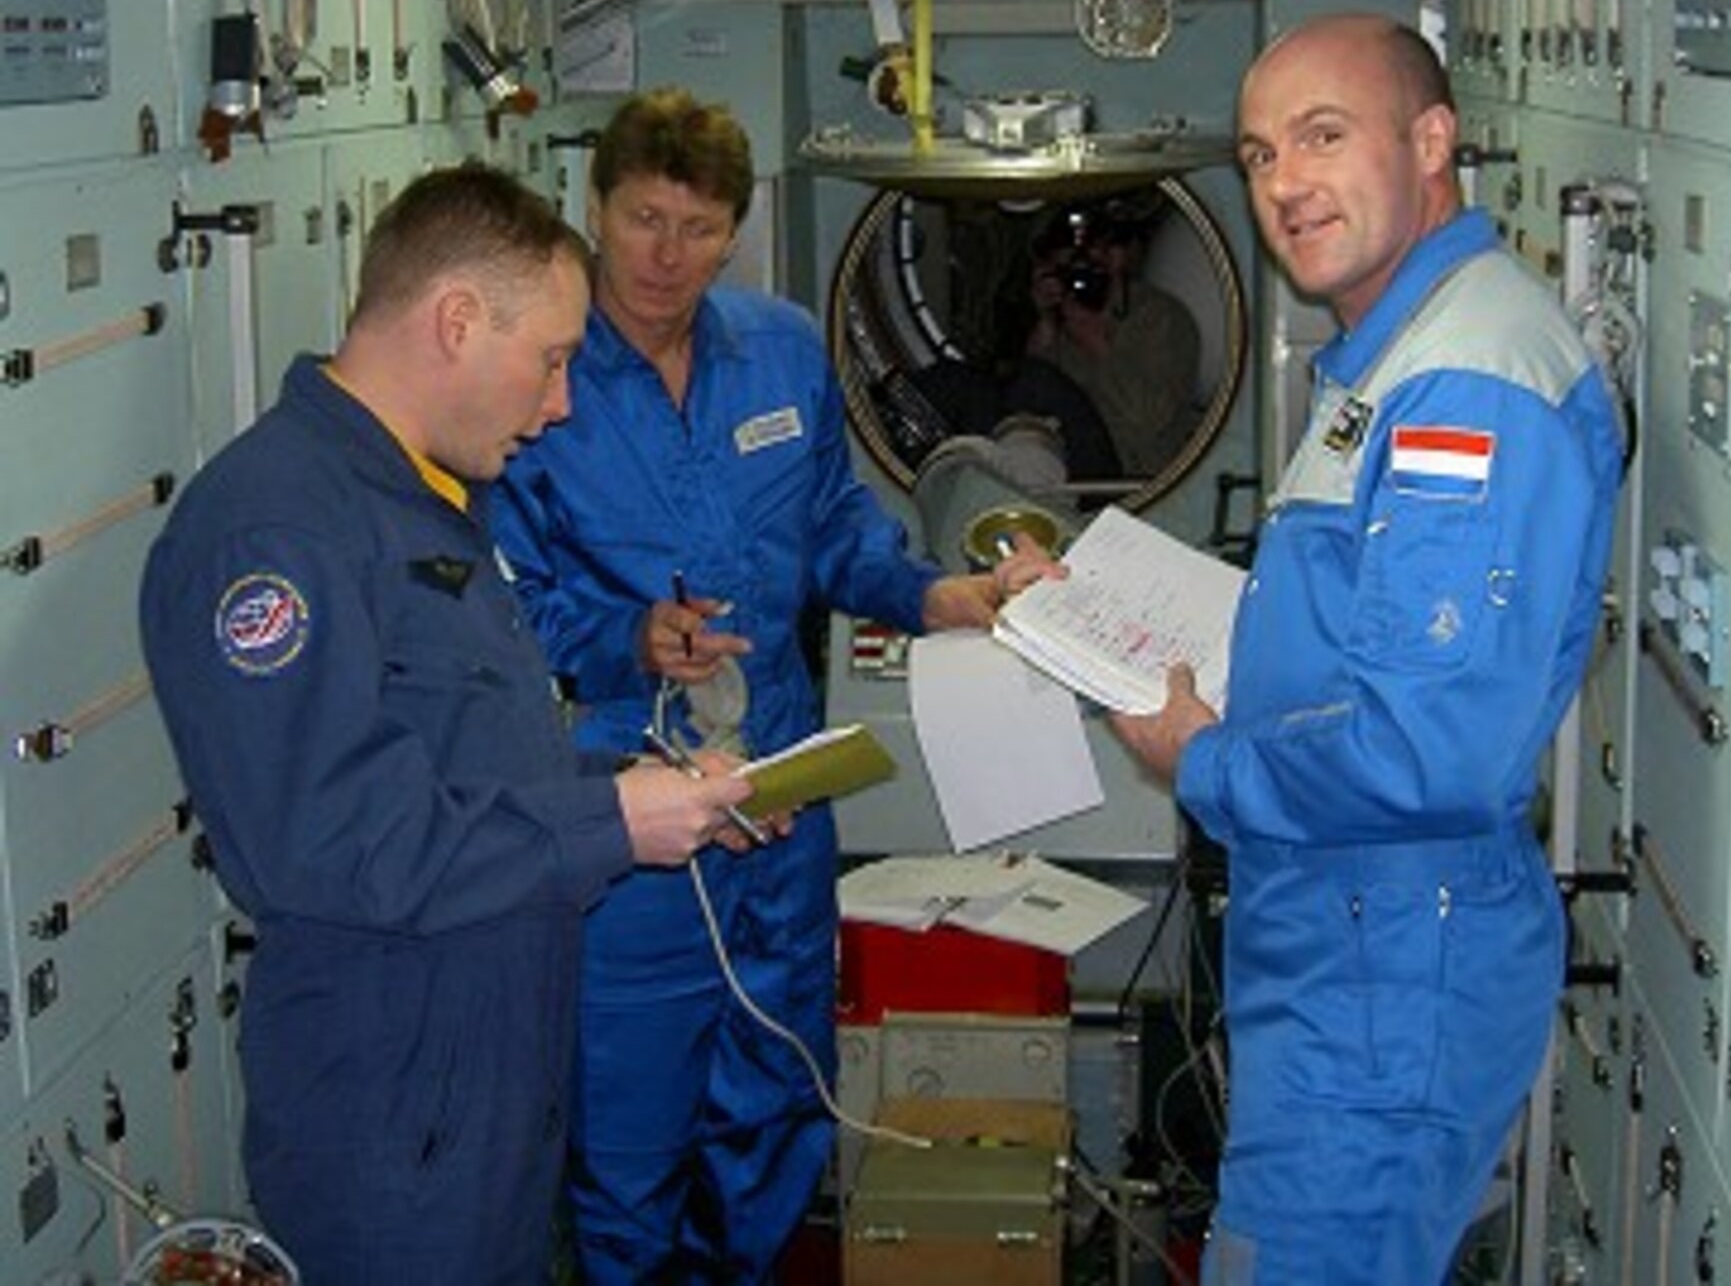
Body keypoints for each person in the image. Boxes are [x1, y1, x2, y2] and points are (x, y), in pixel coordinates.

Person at [138, 163, 755, 1286]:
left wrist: (639, 782)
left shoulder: (419, 500)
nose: (561, 400)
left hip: (485, 1077)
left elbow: (460, 756)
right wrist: (610, 823)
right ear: (459, 322)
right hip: (393, 1115)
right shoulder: (276, 532)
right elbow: (331, 842)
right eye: (553, 359)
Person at [490, 86, 1057, 1284]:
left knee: (776, 1112)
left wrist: (930, 595)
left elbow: (837, 527)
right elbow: (502, 602)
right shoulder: (539, 378)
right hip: (630, 818)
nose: (665, 256)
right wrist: (627, 635)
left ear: (735, 233)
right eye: (643, 220)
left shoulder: (781, 350)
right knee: (631, 1143)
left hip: (782, 807)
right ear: (592, 209)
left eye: (697, 229)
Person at [1111, 14, 1623, 1284]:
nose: (1285, 182)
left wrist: (1205, 762)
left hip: (1388, 953)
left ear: (1433, 139)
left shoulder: (1465, 388)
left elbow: (1421, 750)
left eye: (1324, 137)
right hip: (1353, 929)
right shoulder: (1402, 350)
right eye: (1260, 153)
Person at [1024, 194, 1201, 478]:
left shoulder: (1159, 317)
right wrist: (1045, 321)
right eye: (1071, 266)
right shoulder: (1062, 315)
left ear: (1117, 257)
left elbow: (1147, 419)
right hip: (1069, 469)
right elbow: (1032, 404)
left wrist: (1096, 342)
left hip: (1138, 474)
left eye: (1091, 262)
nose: (1081, 276)